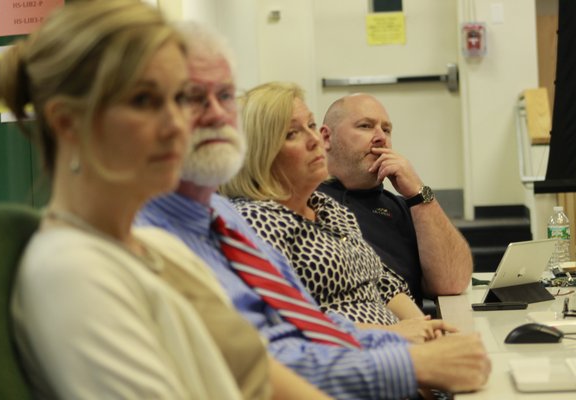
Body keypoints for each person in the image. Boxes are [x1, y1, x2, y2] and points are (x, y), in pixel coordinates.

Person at [0, 2, 331, 399]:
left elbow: (263, 377)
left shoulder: (162, 250)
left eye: (180, 98)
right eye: (145, 101)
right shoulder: (73, 273)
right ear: (67, 123)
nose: (176, 124)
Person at [137, 23, 490, 399]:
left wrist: (425, 342)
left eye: (224, 96)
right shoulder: (246, 221)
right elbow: (262, 358)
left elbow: (306, 331)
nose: (216, 115)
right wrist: (409, 362)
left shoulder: (233, 217)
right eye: (190, 98)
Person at [222, 82, 440, 332]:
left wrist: (427, 329)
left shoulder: (327, 207)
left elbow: (383, 282)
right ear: (261, 152)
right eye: (293, 133)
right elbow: (286, 323)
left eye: (311, 126)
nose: (315, 139)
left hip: (399, 347)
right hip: (350, 358)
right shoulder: (254, 220)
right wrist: (396, 334)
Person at [319, 94, 473, 307]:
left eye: (387, 129)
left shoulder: (405, 207)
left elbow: (452, 282)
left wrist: (419, 193)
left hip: (416, 333)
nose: (381, 137)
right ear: (326, 138)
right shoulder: (309, 203)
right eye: (365, 126)